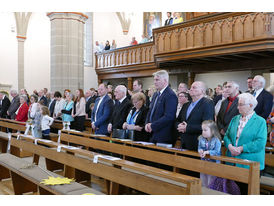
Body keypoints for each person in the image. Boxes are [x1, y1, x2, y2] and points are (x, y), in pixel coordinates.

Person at [223, 93, 267, 194]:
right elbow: (227, 136)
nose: (238, 107)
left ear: (251, 105)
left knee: (245, 193)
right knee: (230, 192)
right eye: (238, 104)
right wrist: (230, 146)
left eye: (241, 104)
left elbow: (260, 142)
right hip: (232, 160)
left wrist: (241, 149)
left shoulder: (260, 121)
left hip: (249, 163)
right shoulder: (235, 119)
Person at [176, 81, 214, 151]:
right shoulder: (186, 105)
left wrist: (187, 128)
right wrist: (179, 125)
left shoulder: (207, 103)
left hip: (197, 143)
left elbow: (207, 125)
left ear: (202, 91)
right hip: (184, 141)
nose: (191, 89)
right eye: (190, 87)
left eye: (194, 87)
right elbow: (177, 120)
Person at [145, 70, 178, 144]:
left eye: (157, 80)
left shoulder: (170, 95)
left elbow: (169, 116)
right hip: (152, 133)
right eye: (154, 80)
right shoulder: (156, 94)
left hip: (163, 135)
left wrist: (153, 125)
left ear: (165, 81)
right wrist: (147, 123)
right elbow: (150, 111)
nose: (154, 82)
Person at [198, 120, 221, 187]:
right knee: (203, 179)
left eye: (205, 130)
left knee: (211, 180)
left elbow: (217, 151)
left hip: (213, 163)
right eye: (202, 130)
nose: (203, 132)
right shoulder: (201, 139)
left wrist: (208, 152)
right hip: (204, 162)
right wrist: (200, 151)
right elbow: (199, 147)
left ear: (212, 131)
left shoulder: (217, 140)